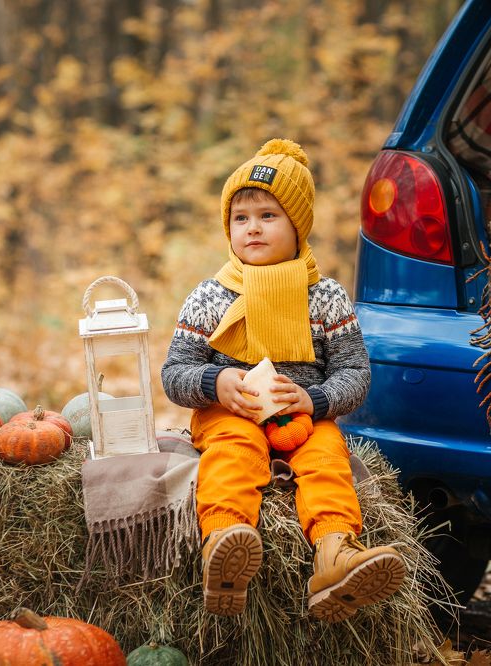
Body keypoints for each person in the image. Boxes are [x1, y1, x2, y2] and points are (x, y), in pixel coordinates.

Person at [161, 138, 406, 623]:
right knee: (233, 449)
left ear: (299, 225)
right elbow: (174, 374)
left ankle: (334, 555)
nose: (252, 228)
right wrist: (216, 382)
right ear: (227, 228)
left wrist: (314, 400)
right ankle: (225, 543)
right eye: (241, 218)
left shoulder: (325, 296)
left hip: (303, 417)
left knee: (326, 458)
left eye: (268, 216)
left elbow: (355, 374)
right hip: (230, 413)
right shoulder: (210, 297)